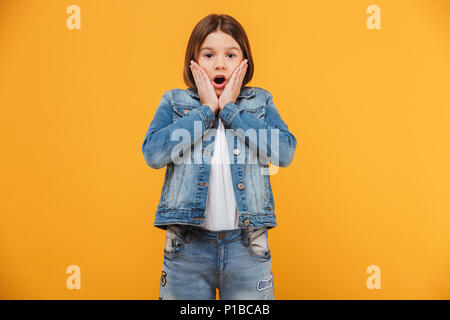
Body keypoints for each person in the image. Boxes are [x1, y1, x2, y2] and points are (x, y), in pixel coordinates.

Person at [141, 13, 297, 300]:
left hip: (247, 247)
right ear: (194, 61)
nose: (220, 64)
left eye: (230, 54)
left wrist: (229, 110)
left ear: (244, 62)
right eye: (209, 55)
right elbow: (153, 153)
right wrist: (206, 111)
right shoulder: (175, 102)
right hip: (187, 248)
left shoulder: (260, 102)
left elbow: (285, 152)